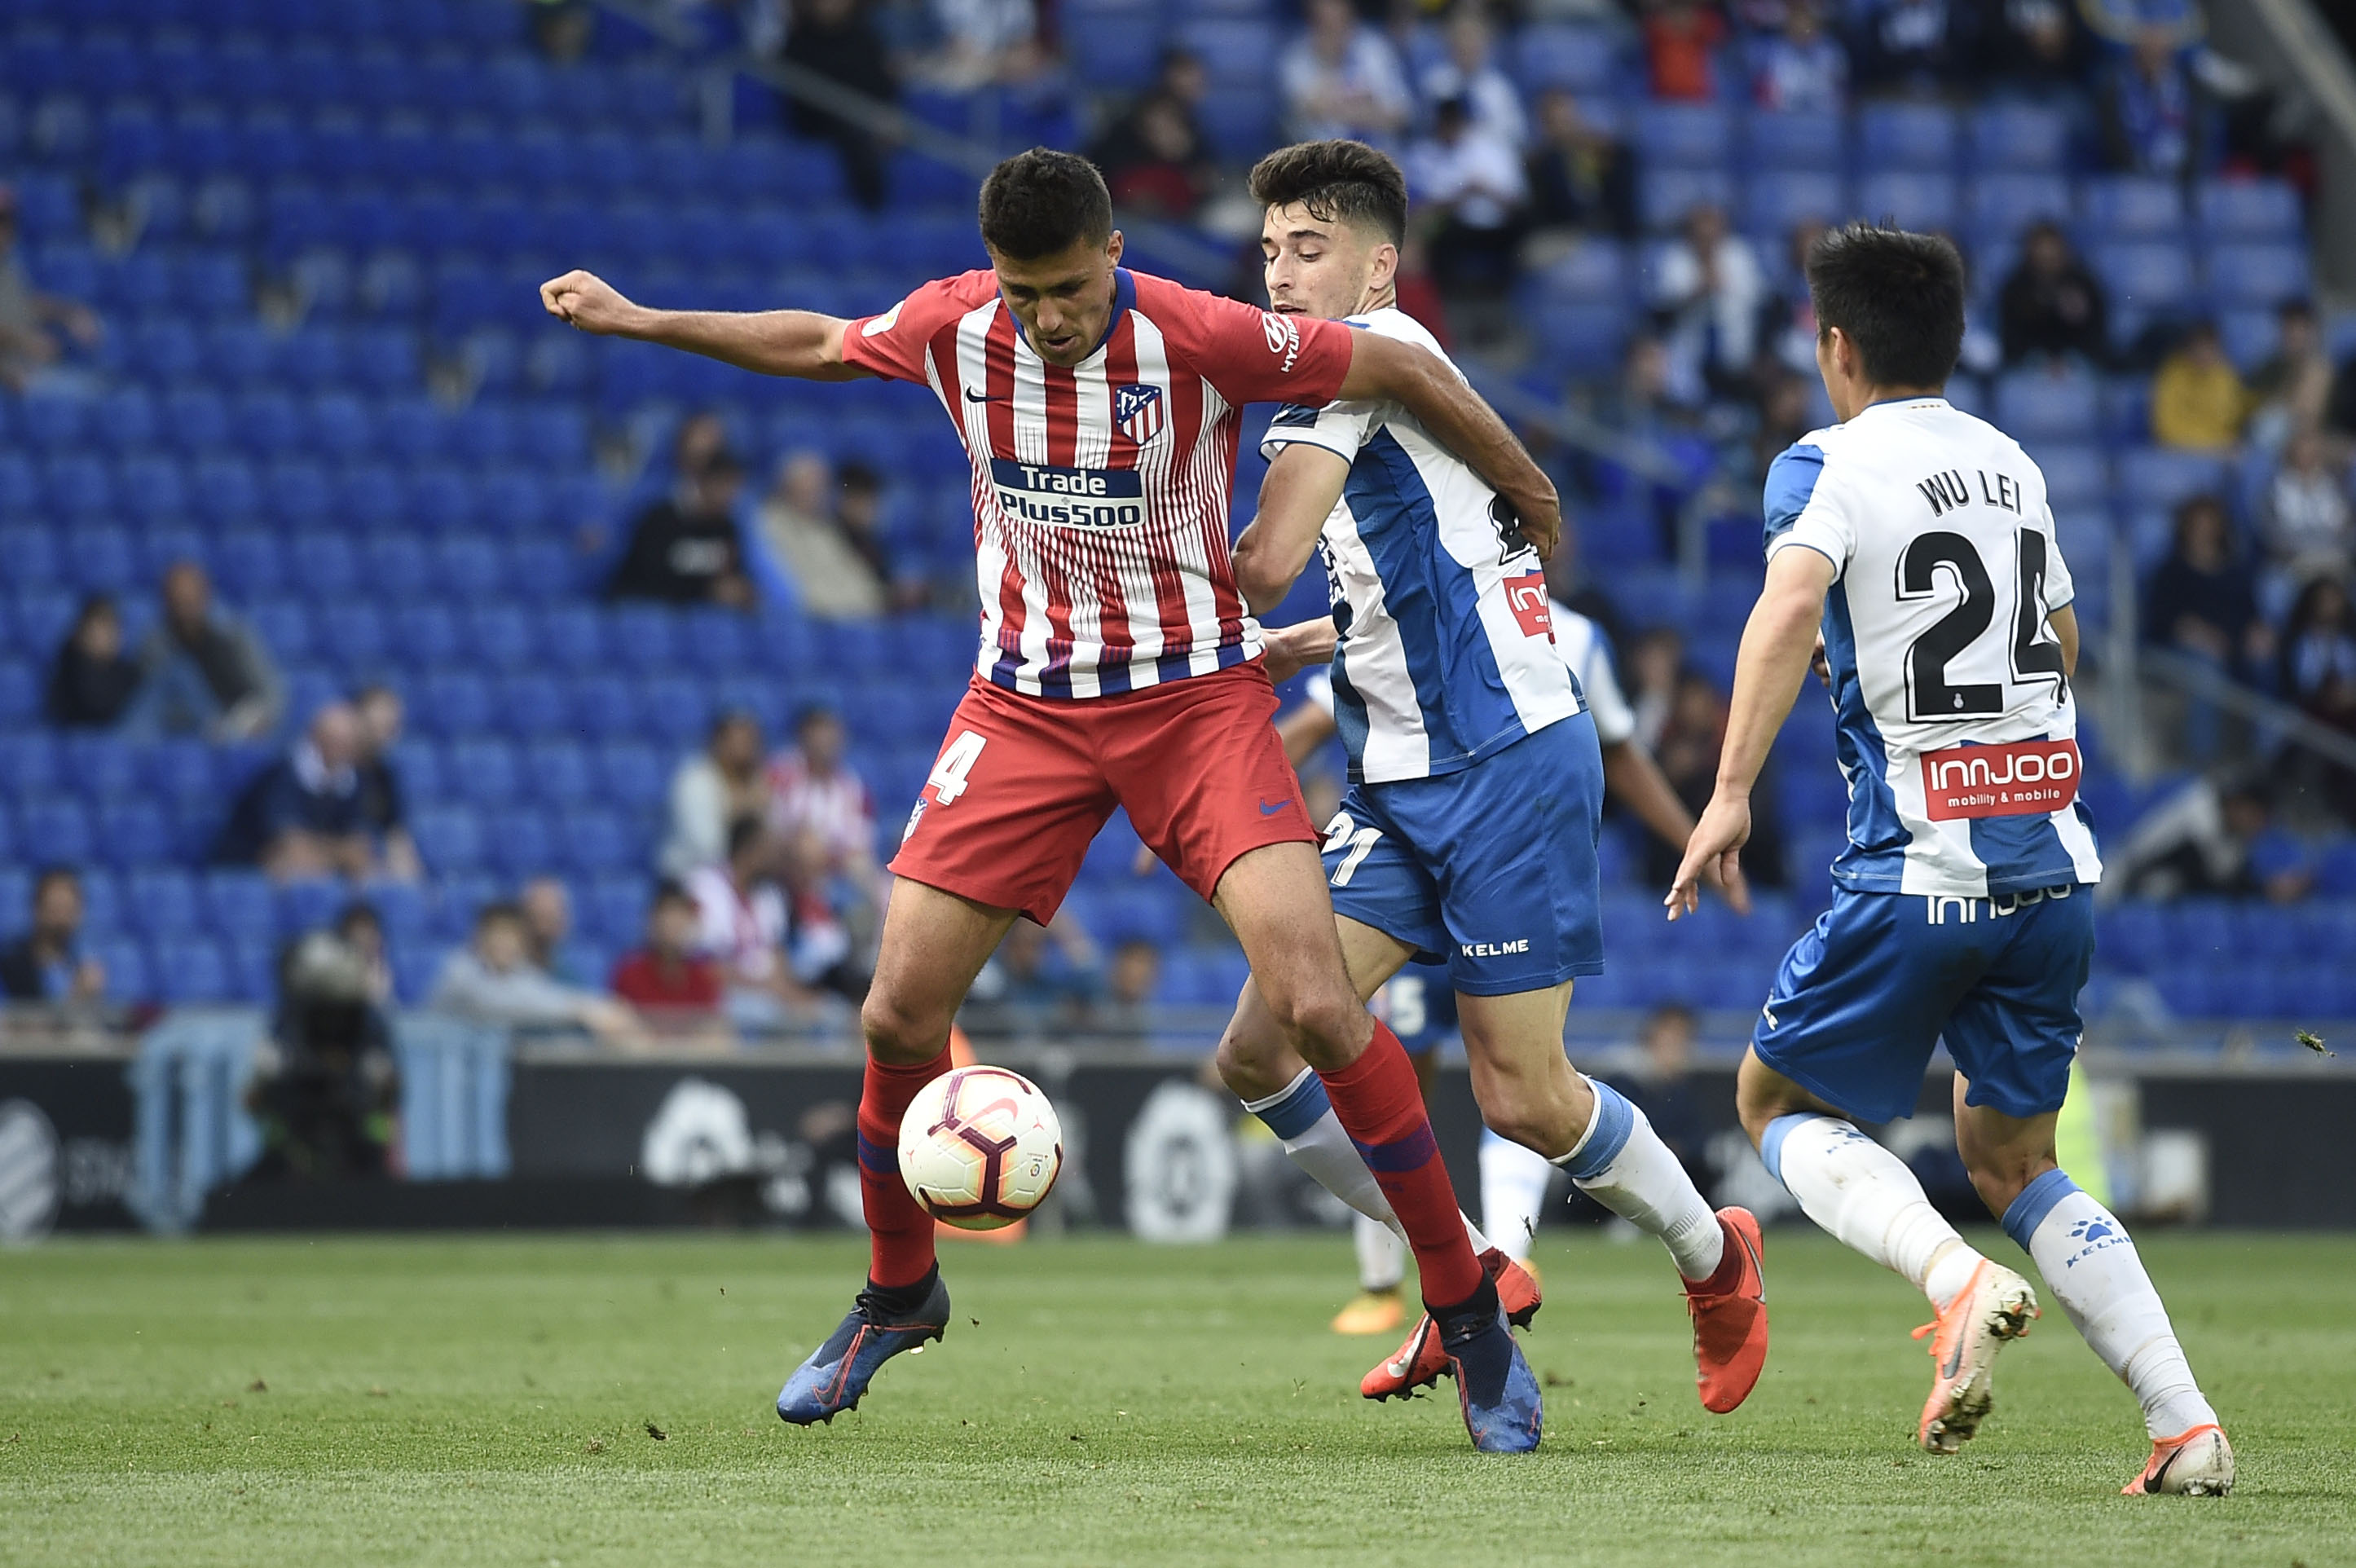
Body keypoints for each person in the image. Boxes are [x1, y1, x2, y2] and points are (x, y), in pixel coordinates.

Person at [540, 145, 1559, 1449]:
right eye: (1026, 294)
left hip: (1194, 704)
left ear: (1114, 254)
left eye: (1070, 289)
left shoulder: (1199, 336)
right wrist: (643, 318)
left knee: (1315, 1003)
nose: (1048, 318)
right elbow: (810, 342)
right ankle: (898, 1292)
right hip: (1021, 708)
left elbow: (1404, 365)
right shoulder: (955, 326)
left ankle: (1464, 1310)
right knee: (897, 1011)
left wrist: (1527, 487)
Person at [1670, 221, 2232, 1495]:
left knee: (1773, 1105)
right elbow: (2065, 641)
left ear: (1835, 346)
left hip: (1921, 866)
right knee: (2014, 1160)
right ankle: (2184, 1424)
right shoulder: (2011, 464)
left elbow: (1787, 606)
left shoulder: (1820, 462)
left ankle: (1953, 1278)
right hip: (2052, 869)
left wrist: (1727, 792)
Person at [1223, 139, 1768, 1420]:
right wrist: (1310, 642)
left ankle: (1713, 1260)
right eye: (1265, 253)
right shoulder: (1385, 373)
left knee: (1522, 1096)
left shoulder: (1361, 368)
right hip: (1400, 775)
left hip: (1508, 764)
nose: (1280, 275)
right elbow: (1389, 574)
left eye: (1307, 250)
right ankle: (1462, 1268)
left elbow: (1263, 561)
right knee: (1258, 1048)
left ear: (1375, 266)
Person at [213, 702, 378, 882]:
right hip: (246, 869)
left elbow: (358, 849)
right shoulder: (281, 776)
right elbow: (291, 847)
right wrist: (339, 852)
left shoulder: (353, 781)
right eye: (339, 742)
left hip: (317, 868)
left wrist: (326, 851)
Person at [427, 902, 637, 1040]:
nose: (505, 943)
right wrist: (581, 1011)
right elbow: (501, 1001)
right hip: (438, 1067)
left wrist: (601, 1007)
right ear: (480, 938)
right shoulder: (461, 972)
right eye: (497, 933)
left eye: (512, 935)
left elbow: (544, 993)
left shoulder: (521, 972)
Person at [128, 561, 283, 742]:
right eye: (177, 601)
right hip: (187, 734)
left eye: (190, 600)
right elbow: (155, 704)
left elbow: (271, 693)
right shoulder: (155, 644)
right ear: (166, 602)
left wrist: (249, 719)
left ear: (205, 596)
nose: (184, 609)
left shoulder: (233, 633)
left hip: (239, 723)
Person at [685, 818, 812, 1025]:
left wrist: (788, 993)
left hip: (770, 994)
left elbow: (778, 956)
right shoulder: (704, 888)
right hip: (724, 994)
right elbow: (700, 967)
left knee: (833, 1013)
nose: (775, 858)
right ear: (749, 852)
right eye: (768, 850)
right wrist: (762, 988)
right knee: (769, 1015)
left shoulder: (771, 894)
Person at [777, 0, 898, 209]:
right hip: (817, 120)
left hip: (861, 118)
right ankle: (871, 209)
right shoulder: (798, 42)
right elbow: (797, 94)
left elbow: (882, 86)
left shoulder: (865, 39)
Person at [606, 450, 756, 607]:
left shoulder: (728, 529)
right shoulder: (661, 519)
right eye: (724, 485)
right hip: (645, 609)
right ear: (704, 482)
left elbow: (733, 575)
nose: (729, 495)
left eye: (734, 488)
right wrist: (706, 589)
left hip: (699, 617)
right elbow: (650, 574)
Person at [1653, 204, 1765, 402]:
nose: (1708, 242)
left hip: (1737, 356)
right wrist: (1697, 291)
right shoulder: (1676, 258)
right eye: (1701, 237)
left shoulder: (1738, 256)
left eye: (1713, 236)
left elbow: (1759, 301)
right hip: (1689, 355)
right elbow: (1662, 309)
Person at [0, 183, 103, 392]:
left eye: (7, 222)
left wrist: (70, 314)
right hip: (11, 378)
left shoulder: (8, 268)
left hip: (30, 370)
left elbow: (26, 304)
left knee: (104, 391)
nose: (4, 231)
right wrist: (22, 340)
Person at [1279, 0, 1412, 145]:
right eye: (1324, 5)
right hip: (1324, 159)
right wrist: (1366, 107)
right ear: (1312, 10)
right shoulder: (1297, 57)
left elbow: (1400, 115)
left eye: (1337, 4)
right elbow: (1309, 110)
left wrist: (1340, 109)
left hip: (1379, 156)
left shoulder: (1374, 49)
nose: (1331, 13)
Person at [660, 710, 770, 879]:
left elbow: (770, 841)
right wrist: (740, 813)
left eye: (751, 741)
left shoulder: (758, 782)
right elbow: (706, 846)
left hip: (742, 880)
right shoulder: (695, 780)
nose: (747, 748)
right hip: (688, 879)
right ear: (719, 742)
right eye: (739, 740)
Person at [1521, 89, 1637, 240]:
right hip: (1560, 233)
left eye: (1565, 121)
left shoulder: (1600, 151)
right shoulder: (1540, 162)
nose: (1561, 128)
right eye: (1552, 122)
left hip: (1602, 227)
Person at [1997, 222, 2108, 370]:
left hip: (2076, 363)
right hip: (2029, 364)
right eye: (2042, 254)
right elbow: (2010, 337)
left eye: (2052, 254)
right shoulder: (2016, 288)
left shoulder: (2083, 285)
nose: (2047, 259)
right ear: (2030, 253)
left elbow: (2096, 334)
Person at [610, 880, 728, 1018]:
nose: (674, 927)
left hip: (689, 1039)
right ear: (652, 922)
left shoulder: (705, 978)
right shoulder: (630, 972)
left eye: (680, 919)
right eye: (668, 917)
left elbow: (710, 1024)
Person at [0, 866, 104, 1004]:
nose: (62, 919)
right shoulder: (12, 963)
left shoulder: (79, 962)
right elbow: (23, 1016)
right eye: (55, 909)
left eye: (69, 910)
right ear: (37, 909)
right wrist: (76, 998)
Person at [351, 685, 423, 883]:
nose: (388, 727)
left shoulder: (384, 776)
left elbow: (394, 833)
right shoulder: (336, 771)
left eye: (391, 726)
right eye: (379, 722)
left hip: (373, 867)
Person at [2261, 427, 2353, 582]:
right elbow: (2272, 533)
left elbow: (2346, 527)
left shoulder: (2335, 486)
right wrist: (2303, 548)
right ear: (2292, 454)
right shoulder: (2275, 490)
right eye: (2303, 451)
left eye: (2313, 452)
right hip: (2294, 561)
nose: (2308, 457)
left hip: (2333, 558)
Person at [46, 593, 141, 729]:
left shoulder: (130, 673)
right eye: (101, 627)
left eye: (113, 628)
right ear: (83, 632)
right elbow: (92, 707)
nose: (109, 635)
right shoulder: (69, 672)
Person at [2150, 321, 2248, 451]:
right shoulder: (2172, 375)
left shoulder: (2225, 375)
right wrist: (2211, 444)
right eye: (2199, 350)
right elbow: (2166, 427)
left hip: (2216, 450)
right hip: (2178, 450)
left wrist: (2216, 443)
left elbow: (2227, 423)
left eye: (2210, 349)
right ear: (2189, 351)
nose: (2204, 355)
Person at [1752, 2, 1847, 112]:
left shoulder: (1831, 52)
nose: (1801, 27)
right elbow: (1765, 98)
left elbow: (1842, 90)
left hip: (1825, 119)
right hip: (1783, 119)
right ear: (1788, 25)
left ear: (1815, 25)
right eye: (1796, 22)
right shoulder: (1772, 53)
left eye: (1806, 22)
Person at [519, 876, 583, 985]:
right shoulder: (506, 968)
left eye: (551, 918)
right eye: (538, 917)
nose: (543, 930)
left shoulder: (568, 973)